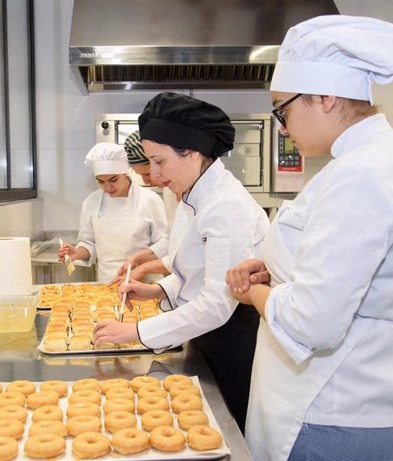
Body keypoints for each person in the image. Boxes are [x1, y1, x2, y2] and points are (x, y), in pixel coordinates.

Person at [225, 15, 393, 460]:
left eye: (282, 111)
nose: (283, 127)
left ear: (324, 96)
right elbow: (345, 268)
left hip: (335, 409)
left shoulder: (362, 174)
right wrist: (278, 269)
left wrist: (256, 293)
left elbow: (313, 321)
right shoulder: (366, 160)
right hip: (352, 392)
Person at [94, 92, 270, 432]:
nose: (155, 176)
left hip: (232, 341)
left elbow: (218, 302)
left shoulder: (225, 205)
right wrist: (155, 291)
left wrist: (135, 331)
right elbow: (196, 272)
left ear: (191, 152)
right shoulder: (194, 196)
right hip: (207, 335)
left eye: (159, 162)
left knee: (228, 431)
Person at [58, 142, 168, 283]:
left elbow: (164, 244)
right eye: (101, 182)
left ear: (125, 173)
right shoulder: (91, 203)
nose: (107, 187)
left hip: (146, 281)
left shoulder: (150, 200)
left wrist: (139, 264)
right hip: (108, 282)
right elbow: (89, 243)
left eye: (113, 180)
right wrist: (78, 253)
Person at [109, 130, 178, 285]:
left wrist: (144, 268)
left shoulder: (203, 194)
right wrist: (136, 259)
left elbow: (189, 255)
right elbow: (172, 240)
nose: (147, 181)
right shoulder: (169, 191)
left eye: (147, 174)